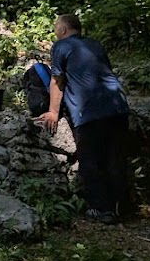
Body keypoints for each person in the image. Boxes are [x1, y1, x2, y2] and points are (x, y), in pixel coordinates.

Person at [38, 13, 130, 224]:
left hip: (88, 111)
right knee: (115, 158)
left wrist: (53, 111)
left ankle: (101, 209)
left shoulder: (61, 46)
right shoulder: (95, 44)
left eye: (55, 27)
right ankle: (122, 205)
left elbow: (57, 81)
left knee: (90, 161)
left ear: (62, 30)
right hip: (117, 105)